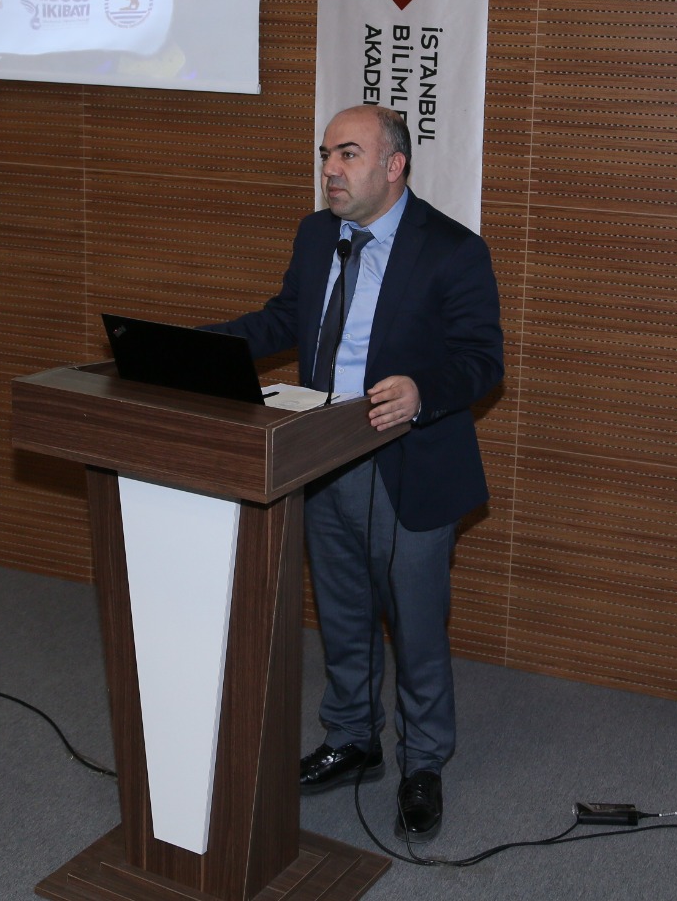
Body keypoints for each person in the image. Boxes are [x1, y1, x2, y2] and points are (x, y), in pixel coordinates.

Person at [207, 104, 503, 842]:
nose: (330, 171)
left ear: (394, 166)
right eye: (325, 155)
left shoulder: (453, 250)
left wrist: (423, 392)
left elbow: (482, 361)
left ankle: (423, 763)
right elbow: (284, 320)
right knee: (341, 614)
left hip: (411, 466)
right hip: (320, 453)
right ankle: (352, 738)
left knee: (416, 626)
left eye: (347, 155)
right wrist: (196, 349)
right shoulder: (317, 235)